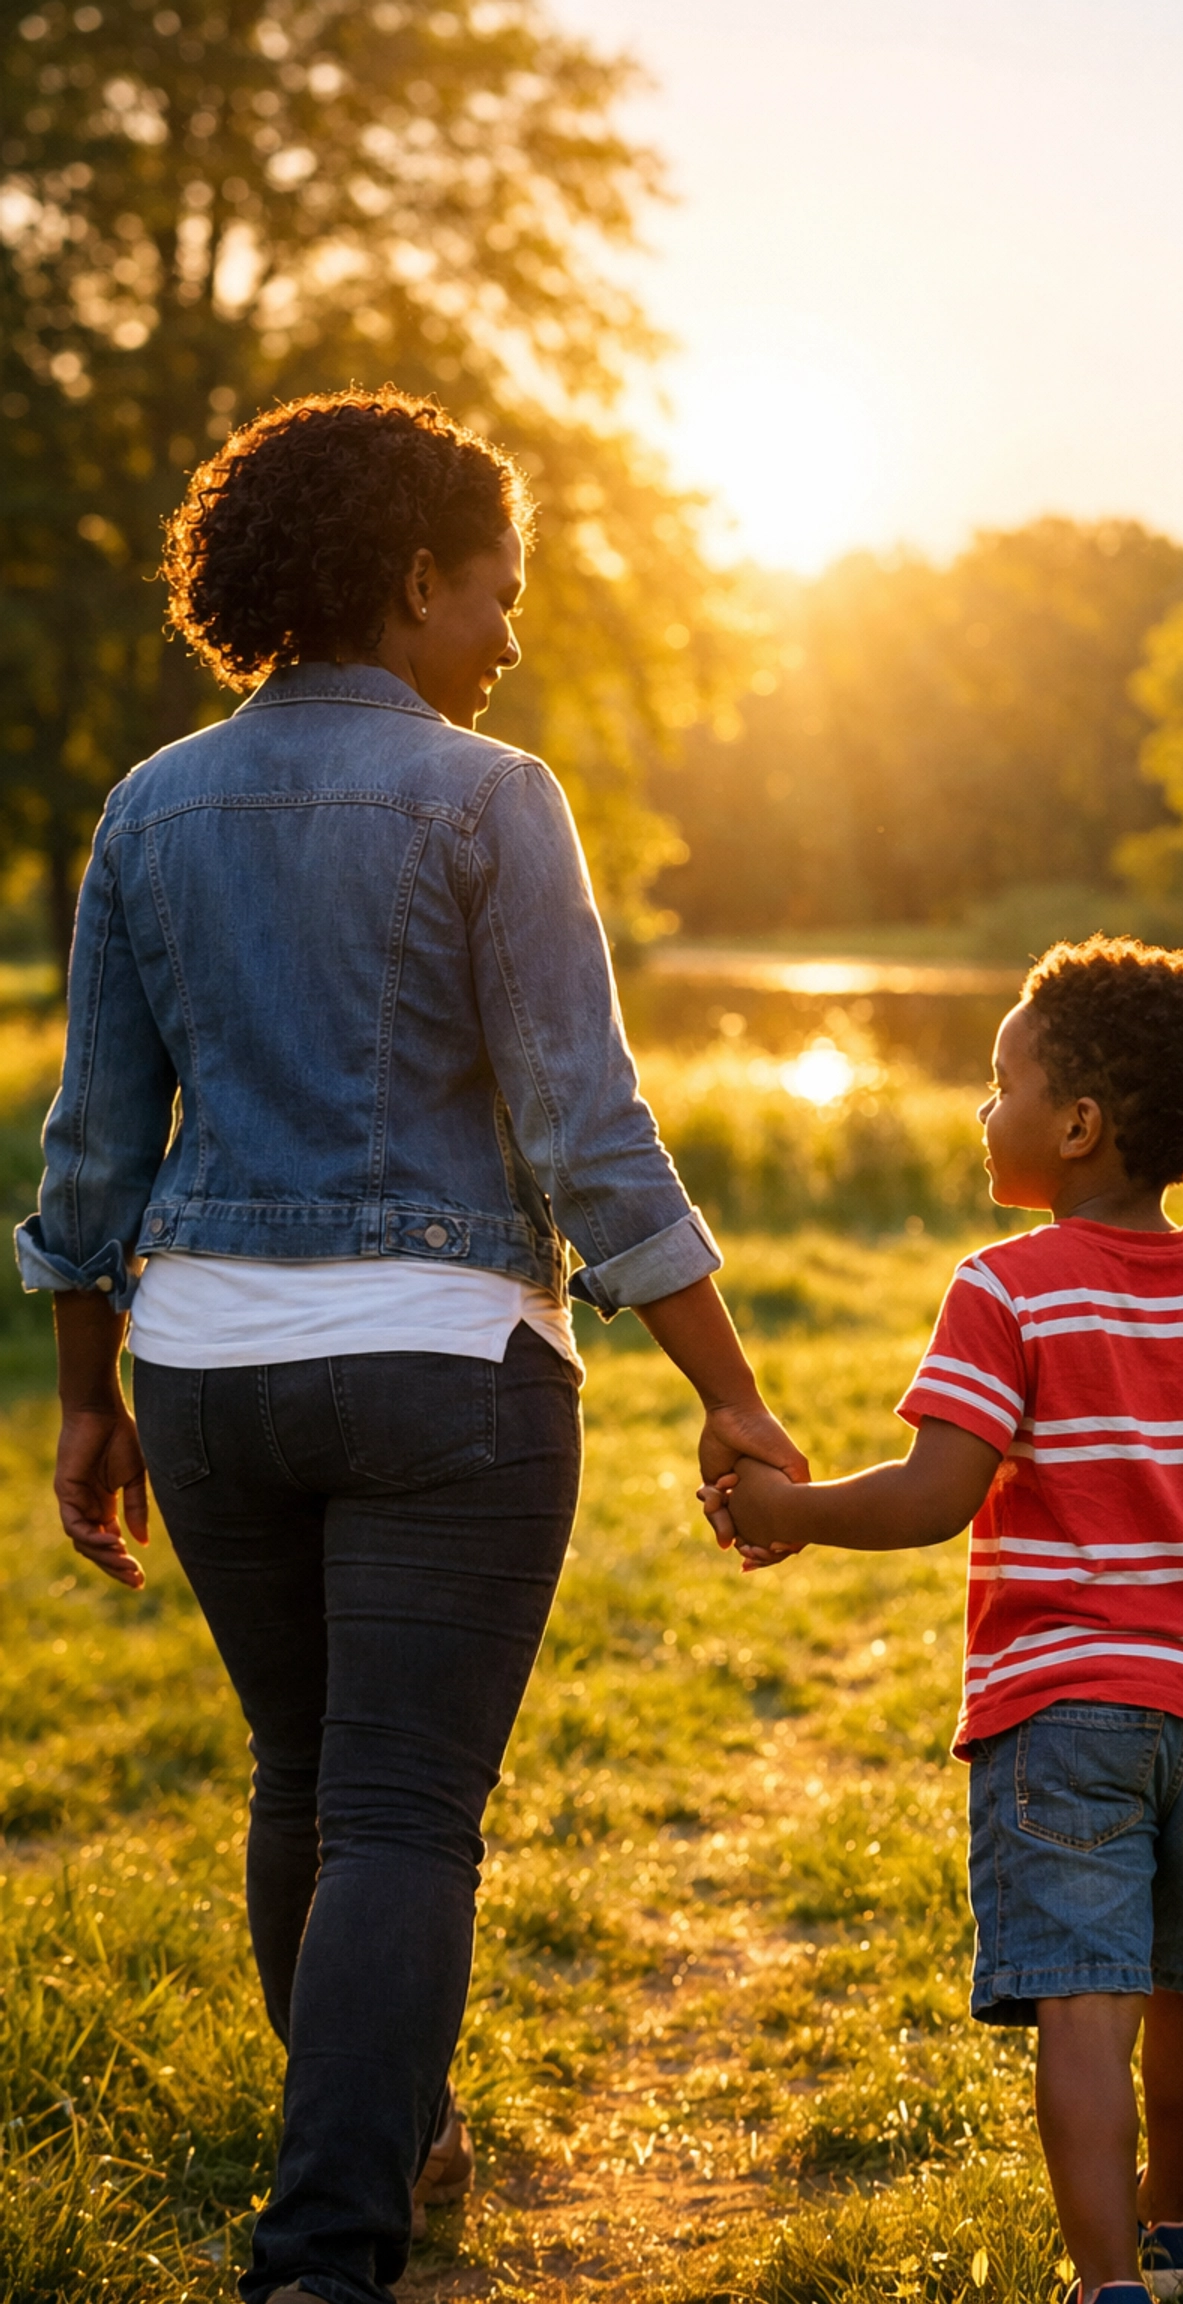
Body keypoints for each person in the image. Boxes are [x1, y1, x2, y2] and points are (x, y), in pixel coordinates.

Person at [17, 387, 804, 2304]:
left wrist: (86, 1400)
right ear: (412, 577)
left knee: (305, 1777)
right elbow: (582, 1129)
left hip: (205, 1375)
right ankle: (330, 2245)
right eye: (499, 594)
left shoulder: (147, 805)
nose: (514, 638)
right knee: (394, 1811)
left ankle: (381, 2139)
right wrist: (728, 1384)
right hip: (445, 1369)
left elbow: (96, 1151)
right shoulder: (490, 797)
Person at [700, 937, 1183, 2304]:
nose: (980, 1108)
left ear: (1076, 1126)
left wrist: (792, 1508)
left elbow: (940, 1493)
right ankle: (1176, 2230)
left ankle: (1107, 2282)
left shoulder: (1003, 1287)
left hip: (1065, 1711)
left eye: (996, 1080)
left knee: (1085, 1998)